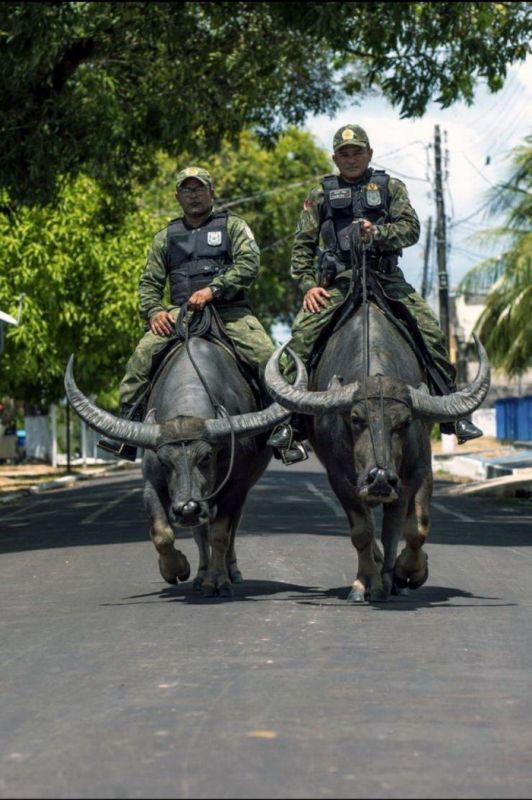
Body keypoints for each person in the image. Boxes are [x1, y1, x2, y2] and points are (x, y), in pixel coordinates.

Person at [268, 124, 483, 449]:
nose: (351, 158)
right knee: (301, 338)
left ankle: (453, 413)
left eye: (357, 152)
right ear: (335, 158)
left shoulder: (390, 187)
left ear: (369, 154)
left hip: (386, 278)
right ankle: (289, 422)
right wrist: (309, 286)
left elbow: (411, 229)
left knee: (430, 332)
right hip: (339, 282)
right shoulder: (320, 193)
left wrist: (378, 233)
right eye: (344, 154)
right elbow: (302, 247)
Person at [99, 166, 308, 463]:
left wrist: (214, 289)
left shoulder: (233, 226)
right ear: (177, 196)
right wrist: (155, 311)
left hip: (230, 312)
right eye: (187, 189)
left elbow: (249, 264)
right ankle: (126, 429)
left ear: (211, 193)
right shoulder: (165, 237)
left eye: (199, 188)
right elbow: (149, 283)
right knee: (141, 357)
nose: (193, 195)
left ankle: (286, 430)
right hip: (181, 315)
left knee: (267, 358)